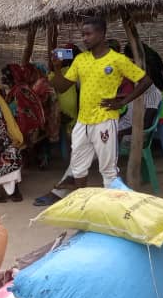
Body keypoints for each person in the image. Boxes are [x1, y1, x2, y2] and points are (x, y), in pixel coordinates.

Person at [49, 16, 152, 187]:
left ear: (102, 34)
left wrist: (122, 103)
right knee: (78, 169)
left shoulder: (117, 60)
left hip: (105, 120)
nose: (84, 38)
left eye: (88, 34)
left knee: (108, 171)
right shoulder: (80, 60)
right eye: (82, 35)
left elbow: (145, 81)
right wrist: (57, 68)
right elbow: (62, 87)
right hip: (82, 122)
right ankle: (83, 204)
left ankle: (114, 207)